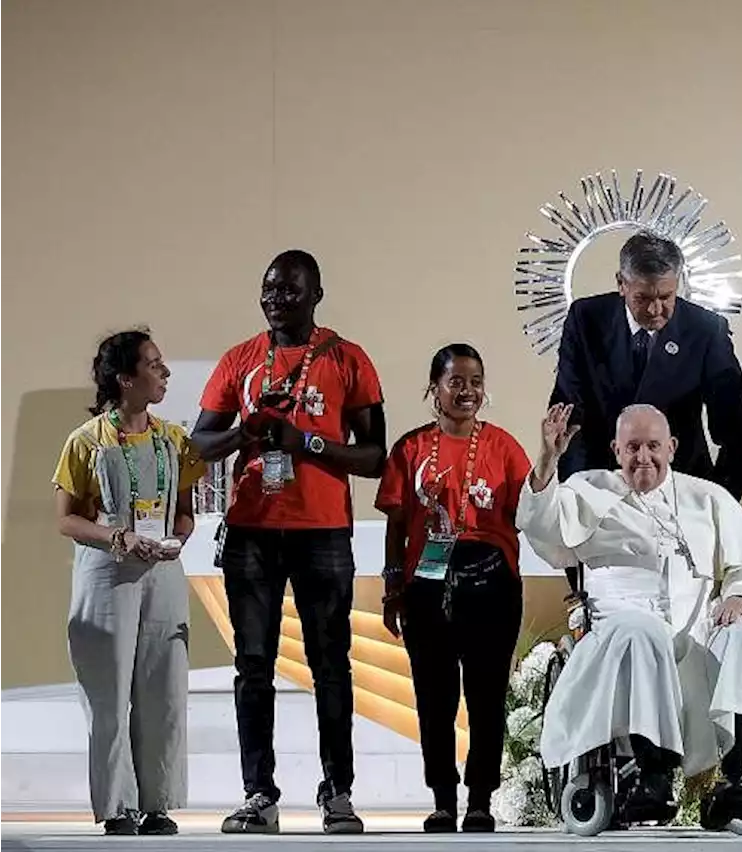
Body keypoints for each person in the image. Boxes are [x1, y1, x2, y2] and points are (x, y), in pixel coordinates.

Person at [191, 250, 387, 835]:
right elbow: (200, 445)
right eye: (270, 288)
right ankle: (259, 793)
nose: (278, 298)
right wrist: (246, 431)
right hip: (252, 530)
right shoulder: (240, 360)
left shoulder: (348, 359)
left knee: (332, 664)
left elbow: (375, 456)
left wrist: (308, 444)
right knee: (253, 665)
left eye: (291, 290)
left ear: (317, 295)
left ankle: (338, 792)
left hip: (323, 532)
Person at [518, 403, 742, 827]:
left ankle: (735, 779)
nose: (644, 457)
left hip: (696, 639)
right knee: (644, 632)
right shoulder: (588, 489)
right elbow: (542, 529)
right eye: (633, 447)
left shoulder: (706, 497)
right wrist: (549, 457)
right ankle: (651, 775)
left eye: (654, 446)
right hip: (618, 639)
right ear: (616, 449)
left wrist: (740, 599)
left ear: (673, 447)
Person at [53, 330, 206, 836]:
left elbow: (184, 512)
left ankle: (158, 803)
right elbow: (67, 520)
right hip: (107, 571)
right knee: (109, 690)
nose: (164, 373)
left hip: (161, 569)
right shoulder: (86, 441)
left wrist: (177, 537)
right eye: (154, 365)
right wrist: (116, 537)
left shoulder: (174, 440)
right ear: (126, 379)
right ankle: (118, 806)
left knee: (164, 687)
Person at [376, 344, 530, 833]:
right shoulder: (410, 449)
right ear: (434, 389)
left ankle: (481, 798)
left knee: (487, 697)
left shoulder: (504, 447)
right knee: (434, 697)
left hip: (491, 583)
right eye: (456, 382)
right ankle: (443, 799)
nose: (468, 392)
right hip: (427, 586)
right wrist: (392, 588)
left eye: (476, 382)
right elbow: (397, 525)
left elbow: (530, 512)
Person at [548, 230, 742, 498]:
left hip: (681, 486)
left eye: (666, 297)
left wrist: (719, 502)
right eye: (643, 298)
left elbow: (735, 432)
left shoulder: (706, 330)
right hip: (600, 485)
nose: (656, 310)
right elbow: (570, 412)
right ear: (622, 283)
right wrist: (575, 490)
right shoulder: (585, 319)